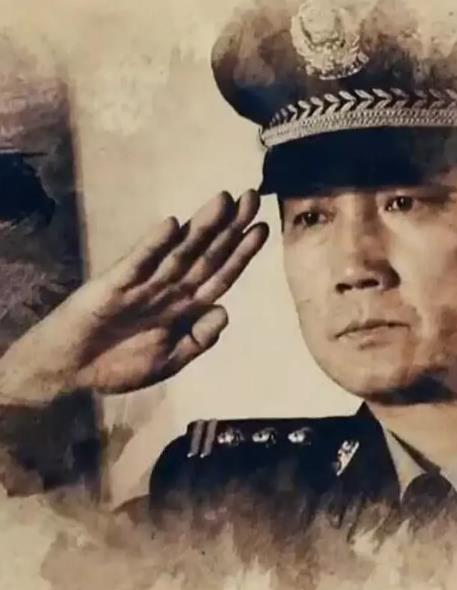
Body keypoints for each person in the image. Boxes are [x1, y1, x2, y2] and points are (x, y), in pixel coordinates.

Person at [4, 0, 457, 578]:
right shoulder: (226, 505)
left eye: (404, 202)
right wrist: (27, 384)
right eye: (312, 217)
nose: (353, 266)